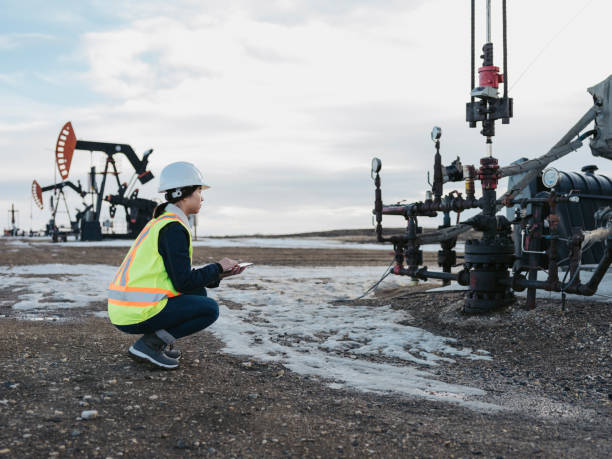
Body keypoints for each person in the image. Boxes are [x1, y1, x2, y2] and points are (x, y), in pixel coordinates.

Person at [107, 161, 245, 369]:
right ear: (184, 193)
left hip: (125, 309)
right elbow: (182, 282)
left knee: (199, 293)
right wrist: (217, 267)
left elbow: (179, 278)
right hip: (134, 313)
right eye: (199, 191)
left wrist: (219, 275)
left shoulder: (162, 221)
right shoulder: (172, 227)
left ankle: (153, 344)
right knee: (209, 309)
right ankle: (149, 345)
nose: (202, 197)